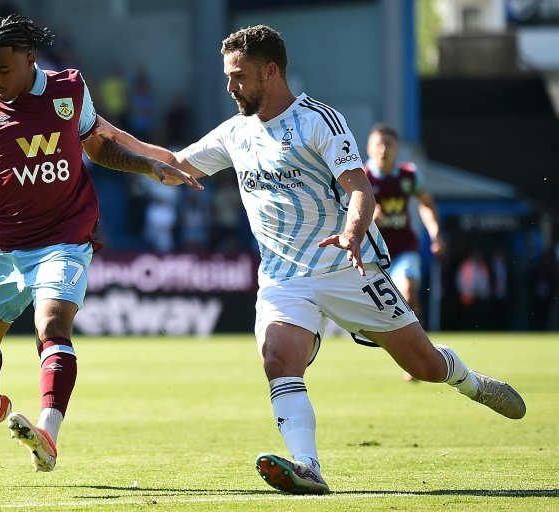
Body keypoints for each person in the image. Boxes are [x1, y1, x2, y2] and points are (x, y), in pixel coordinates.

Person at [99, 24, 526, 495]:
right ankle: (307, 467)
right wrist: (105, 132)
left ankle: (470, 381)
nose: (229, 86)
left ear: (270, 71)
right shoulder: (235, 133)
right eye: (227, 76)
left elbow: (359, 188)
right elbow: (176, 164)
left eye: (238, 76)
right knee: (277, 358)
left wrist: (350, 232)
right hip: (283, 277)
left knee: (424, 366)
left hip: (346, 267)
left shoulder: (319, 121)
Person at [0, 14, 201, 474]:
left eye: (2, 69)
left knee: (53, 324)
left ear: (29, 60)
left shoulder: (68, 89)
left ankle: (47, 433)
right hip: (6, 243)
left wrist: (149, 165)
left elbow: (98, 146)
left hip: (66, 234)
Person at [364, 123, 444, 380]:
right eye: (379, 144)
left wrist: (434, 233)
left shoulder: (408, 175)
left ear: (397, 148)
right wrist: (364, 214)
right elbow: (341, 210)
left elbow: (427, 204)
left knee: (408, 289)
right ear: (369, 148)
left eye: (389, 144)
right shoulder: (361, 176)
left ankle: (417, 356)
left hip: (403, 249)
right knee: (386, 310)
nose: (384, 149)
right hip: (371, 255)